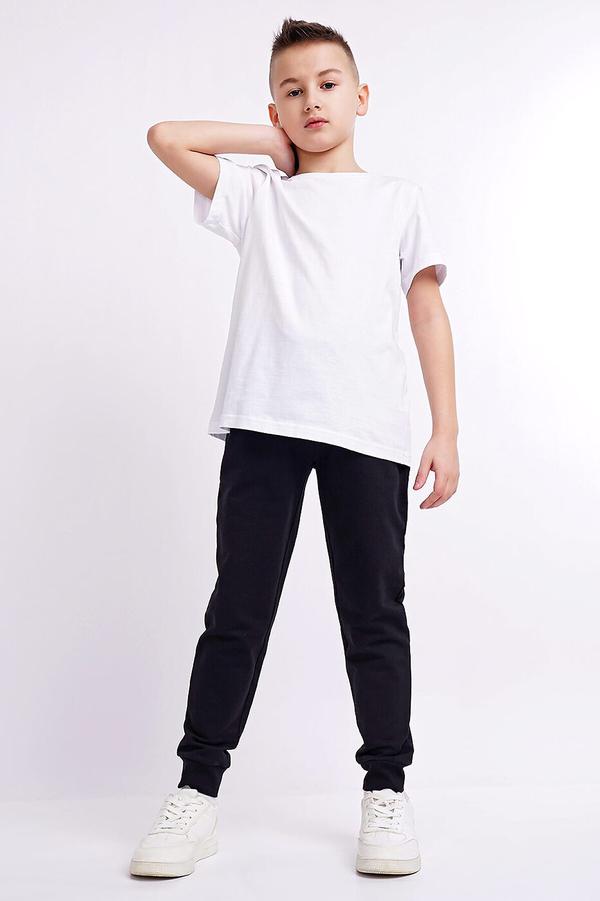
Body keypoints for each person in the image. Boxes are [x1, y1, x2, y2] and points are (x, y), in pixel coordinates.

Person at [130, 16, 459, 879]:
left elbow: (427, 309)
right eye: (291, 90)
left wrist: (446, 428)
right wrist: (268, 145)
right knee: (237, 610)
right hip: (264, 424)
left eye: (327, 83)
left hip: (366, 432)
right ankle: (196, 792)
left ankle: (385, 789)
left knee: (374, 614)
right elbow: (166, 137)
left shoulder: (396, 199)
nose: (312, 100)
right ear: (273, 108)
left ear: (362, 96)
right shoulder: (259, 197)